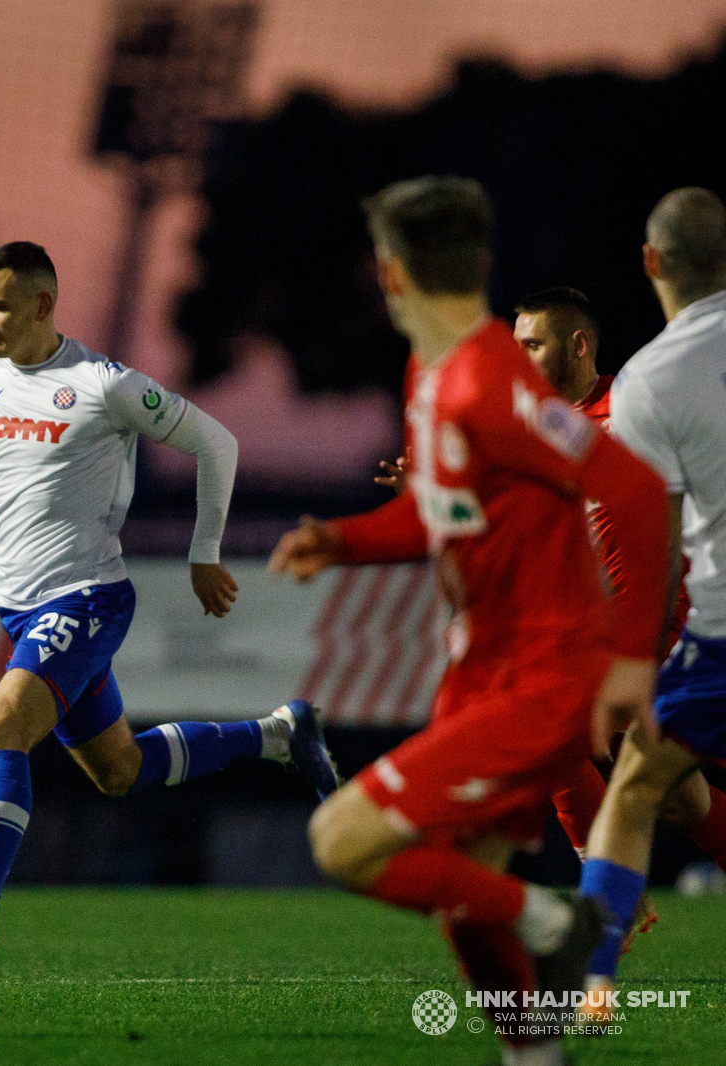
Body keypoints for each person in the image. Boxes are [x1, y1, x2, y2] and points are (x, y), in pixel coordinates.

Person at [0, 241, 340, 968]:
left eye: (0, 305)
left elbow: (217, 442)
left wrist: (203, 553)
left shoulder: (103, 385)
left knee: (0, 725)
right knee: (118, 770)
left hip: (87, 600)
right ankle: (278, 734)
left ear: (44, 305)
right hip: (20, 611)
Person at [271, 178, 670, 1066]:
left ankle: (555, 918)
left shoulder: (492, 384)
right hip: (486, 673)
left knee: (342, 842)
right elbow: (436, 515)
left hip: (542, 678)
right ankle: (534, 1054)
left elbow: (634, 489)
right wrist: (341, 539)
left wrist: (631, 662)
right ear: (480, 265)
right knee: (460, 887)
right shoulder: (433, 370)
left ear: (389, 274)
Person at [578, 187, 726, 994]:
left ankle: (594, 984)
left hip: (718, 637)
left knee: (634, 789)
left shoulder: (647, 383)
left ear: (651, 262)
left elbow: (657, 552)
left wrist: (635, 665)